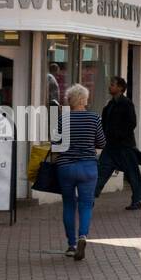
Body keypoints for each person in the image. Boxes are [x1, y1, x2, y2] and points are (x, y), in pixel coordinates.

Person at [55, 83, 105, 261]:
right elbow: (102, 142)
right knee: (85, 205)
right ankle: (83, 235)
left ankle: (71, 245)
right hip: (88, 167)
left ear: (69, 101)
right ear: (84, 100)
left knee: (69, 205)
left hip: (66, 168)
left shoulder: (62, 119)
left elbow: (56, 145)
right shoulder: (94, 118)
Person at [95, 76, 141, 210]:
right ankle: (90, 198)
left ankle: (137, 200)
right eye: (110, 84)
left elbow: (131, 123)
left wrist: (119, 135)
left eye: (113, 85)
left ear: (120, 88)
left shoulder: (127, 103)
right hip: (110, 147)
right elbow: (104, 124)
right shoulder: (109, 106)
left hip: (125, 146)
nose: (110, 87)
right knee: (101, 171)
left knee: (132, 173)